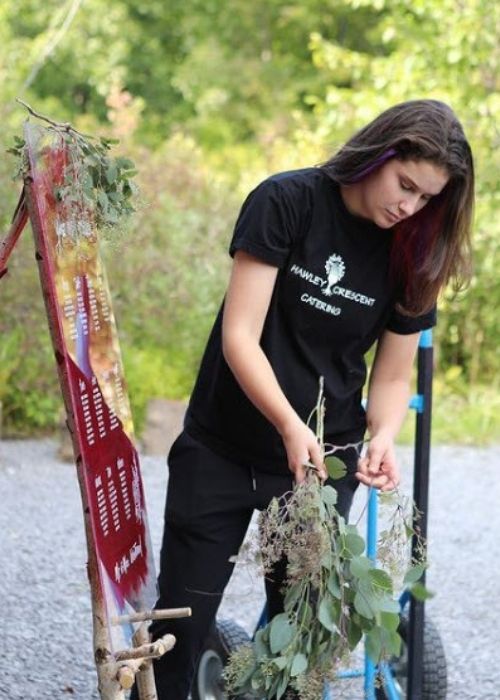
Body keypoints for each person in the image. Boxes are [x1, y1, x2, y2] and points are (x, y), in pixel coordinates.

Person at [131, 99, 474, 699]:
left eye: (426, 198)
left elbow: (392, 377)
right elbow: (241, 336)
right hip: (223, 447)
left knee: (299, 647)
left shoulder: (414, 253)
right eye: (406, 185)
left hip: (318, 468)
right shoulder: (287, 201)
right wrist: (291, 425)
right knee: (178, 633)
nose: (409, 206)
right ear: (380, 154)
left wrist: (384, 437)